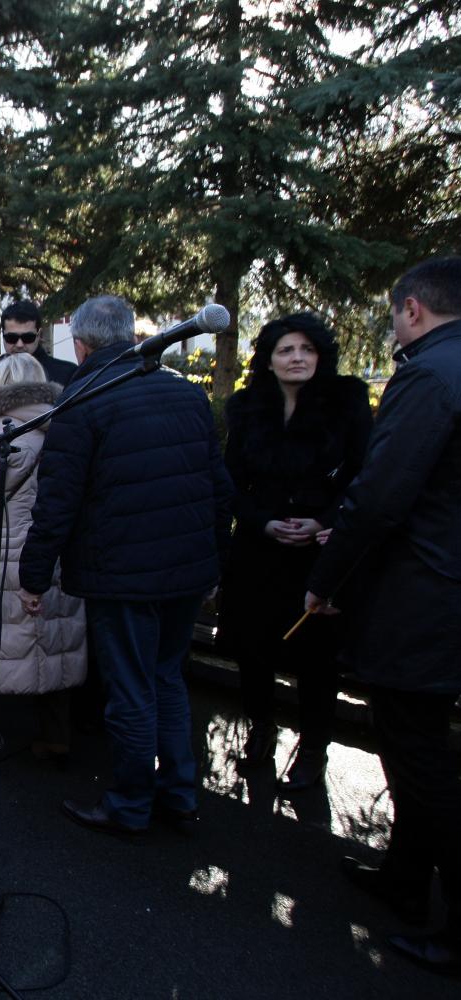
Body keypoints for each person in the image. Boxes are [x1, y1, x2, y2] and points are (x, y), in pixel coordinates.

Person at [18, 294, 231, 836]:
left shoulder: (83, 399)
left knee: (133, 690)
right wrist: (214, 564)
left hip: (123, 573)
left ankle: (131, 804)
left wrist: (33, 576)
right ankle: (179, 794)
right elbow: (218, 488)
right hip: (185, 568)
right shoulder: (186, 395)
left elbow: (57, 502)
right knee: (167, 680)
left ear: (82, 345)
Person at [305, 257, 461, 975]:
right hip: (438, 588)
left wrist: (327, 578)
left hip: (424, 594)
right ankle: (402, 878)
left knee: (420, 758)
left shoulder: (428, 375)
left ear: (413, 311)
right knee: (412, 747)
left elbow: (380, 496)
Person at [219, 313, 371, 791]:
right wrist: (261, 520)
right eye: (286, 349)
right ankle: (260, 732)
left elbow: (366, 476)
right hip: (258, 549)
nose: (297, 357)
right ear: (268, 358)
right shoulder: (246, 406)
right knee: (252, 647)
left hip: (319, 552)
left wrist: (325, 522)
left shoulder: (346, 401)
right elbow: (231, 480)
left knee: (318, 660)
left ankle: (312, 753)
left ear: (320, 354)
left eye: (306, 349)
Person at [0, 353, 86, 761]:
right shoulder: (67, 420)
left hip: (5, 545)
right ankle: (57, 735)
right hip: (58, 547)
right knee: (52, 636)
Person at [0, 300, 77, 392]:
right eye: (11, 338)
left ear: (39, 335)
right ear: (2, 335)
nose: (19, 344)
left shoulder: (67, 374)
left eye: (28, 337)